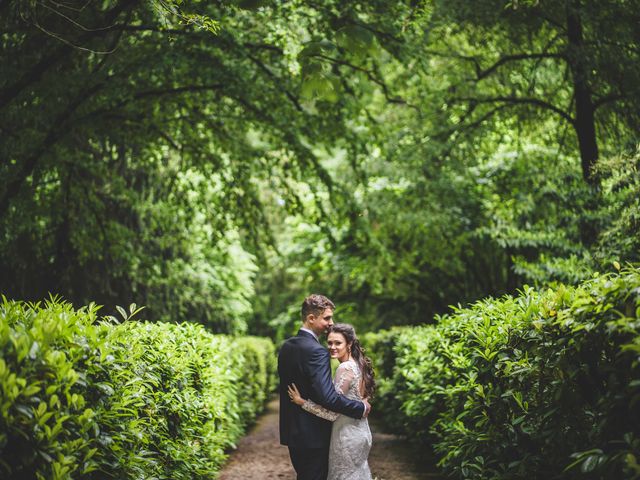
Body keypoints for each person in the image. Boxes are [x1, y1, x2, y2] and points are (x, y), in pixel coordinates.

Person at [278, 295, 371, 480]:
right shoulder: (317, 351)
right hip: (314, 434)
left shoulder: (286, 347)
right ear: (311, 318)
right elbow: (327, 397)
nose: (331, 323)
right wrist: (360, 407)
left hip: (292, 432)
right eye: (327, 318)